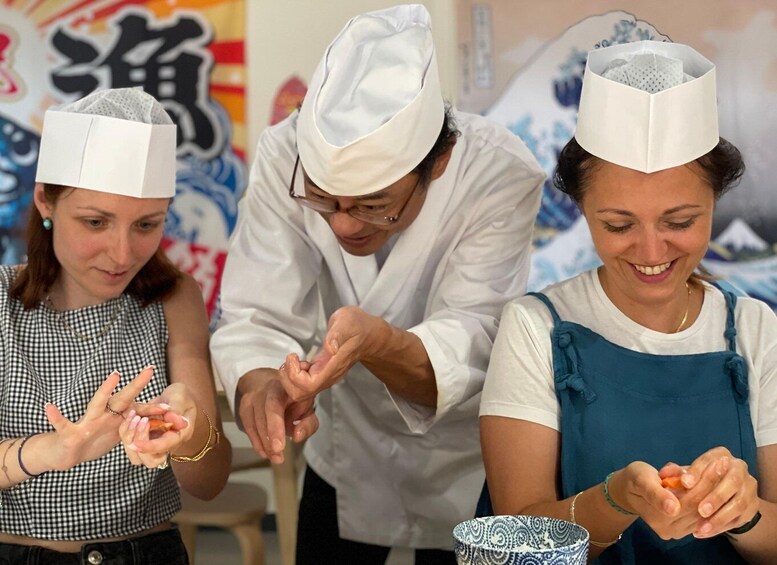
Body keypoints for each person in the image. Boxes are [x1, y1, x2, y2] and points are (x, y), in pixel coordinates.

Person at [210, 4, 544, 563]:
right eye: (323, 201)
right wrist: (262, 385)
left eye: (374, 206)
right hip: (345, 442)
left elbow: (476, 332)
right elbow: (256, 311)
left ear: (434, 167)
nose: (342, 225)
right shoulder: (283, 155)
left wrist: (379, 342)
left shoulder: (497, 173)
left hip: (463, 452)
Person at [479, 40, 777, 564]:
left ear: (715, 202)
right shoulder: (535, 328)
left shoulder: (754, 328)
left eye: (680, 222)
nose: (651, 251)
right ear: (581, 209)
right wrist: (613, 501)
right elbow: (514, 548)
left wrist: (742, 511)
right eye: (618, 225)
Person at [0, 87, 231, 564]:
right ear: (46, 201)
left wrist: (189, 434)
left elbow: (208, 484)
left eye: (146, 225)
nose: (122, 254)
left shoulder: (173, 298)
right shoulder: (4, 303)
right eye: (95, 222)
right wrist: (52, 450)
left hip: (147, 551)